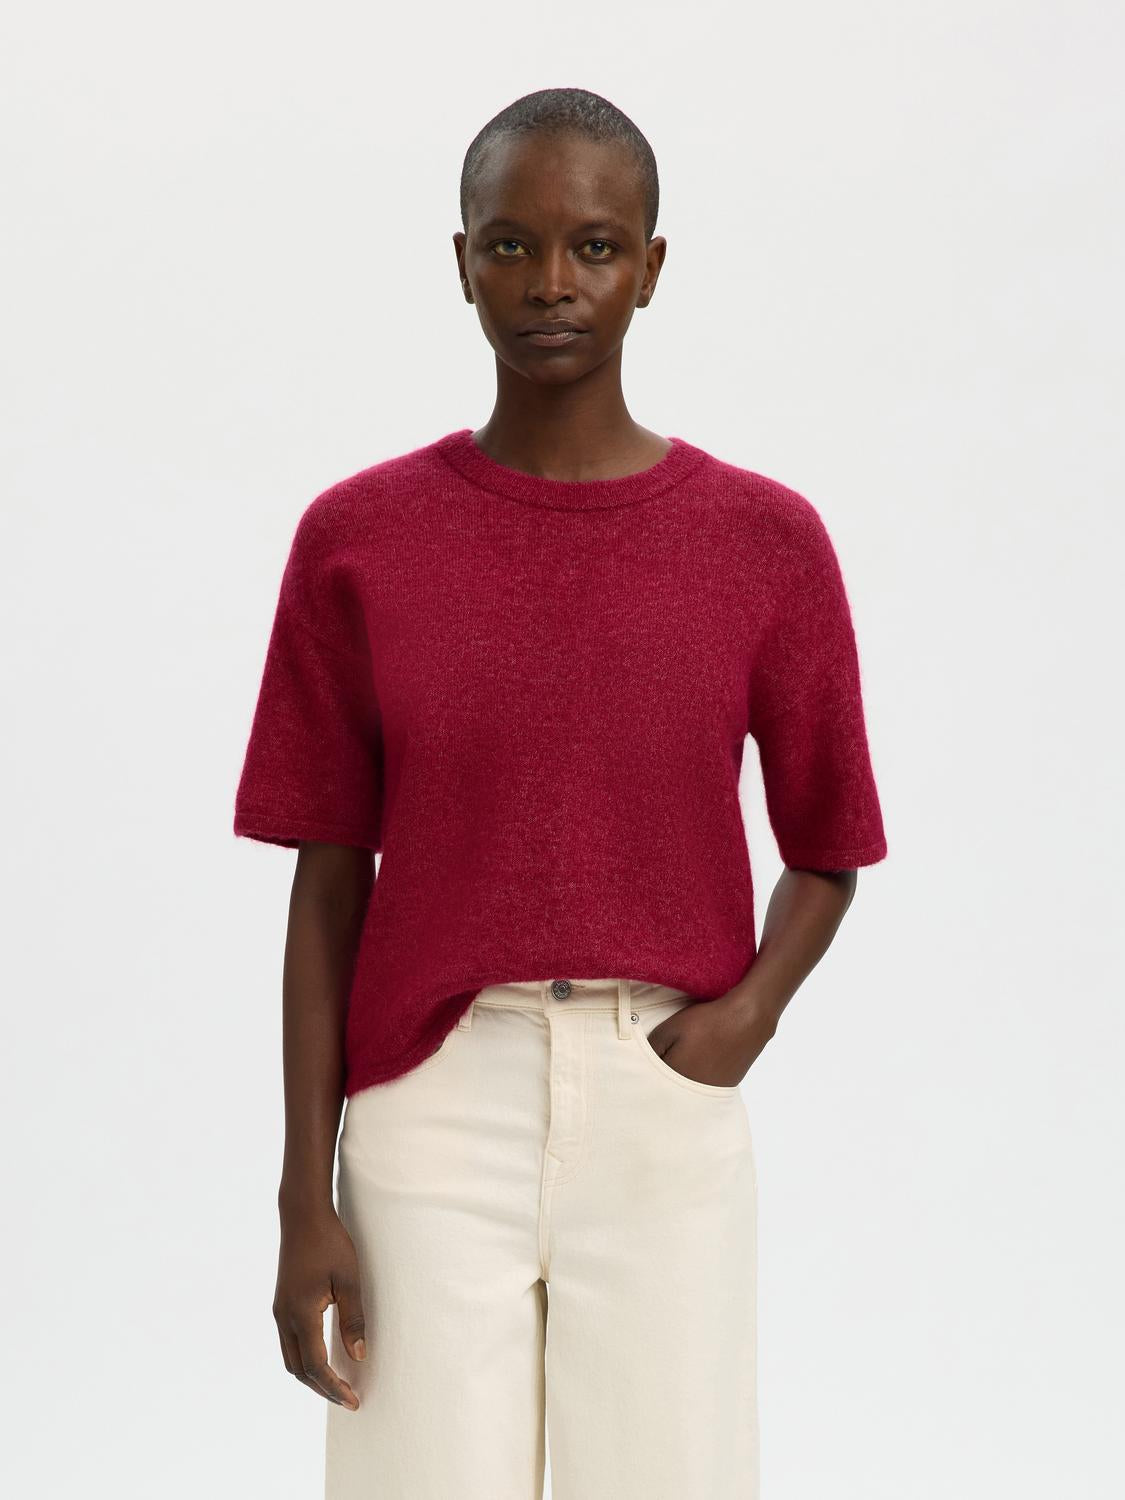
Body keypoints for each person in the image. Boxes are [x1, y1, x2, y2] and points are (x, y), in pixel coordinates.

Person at [232, 86, 888, 1500]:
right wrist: (302, 1195)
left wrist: (748, 1017)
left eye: (593, 246)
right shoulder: (358, 541)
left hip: (663, 1092)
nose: (549, 283)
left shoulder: (763, 543)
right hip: (429, 1096)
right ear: (460, 261)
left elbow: (829, 846)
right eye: (510, 245)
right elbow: (327, 885)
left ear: (652, 266)